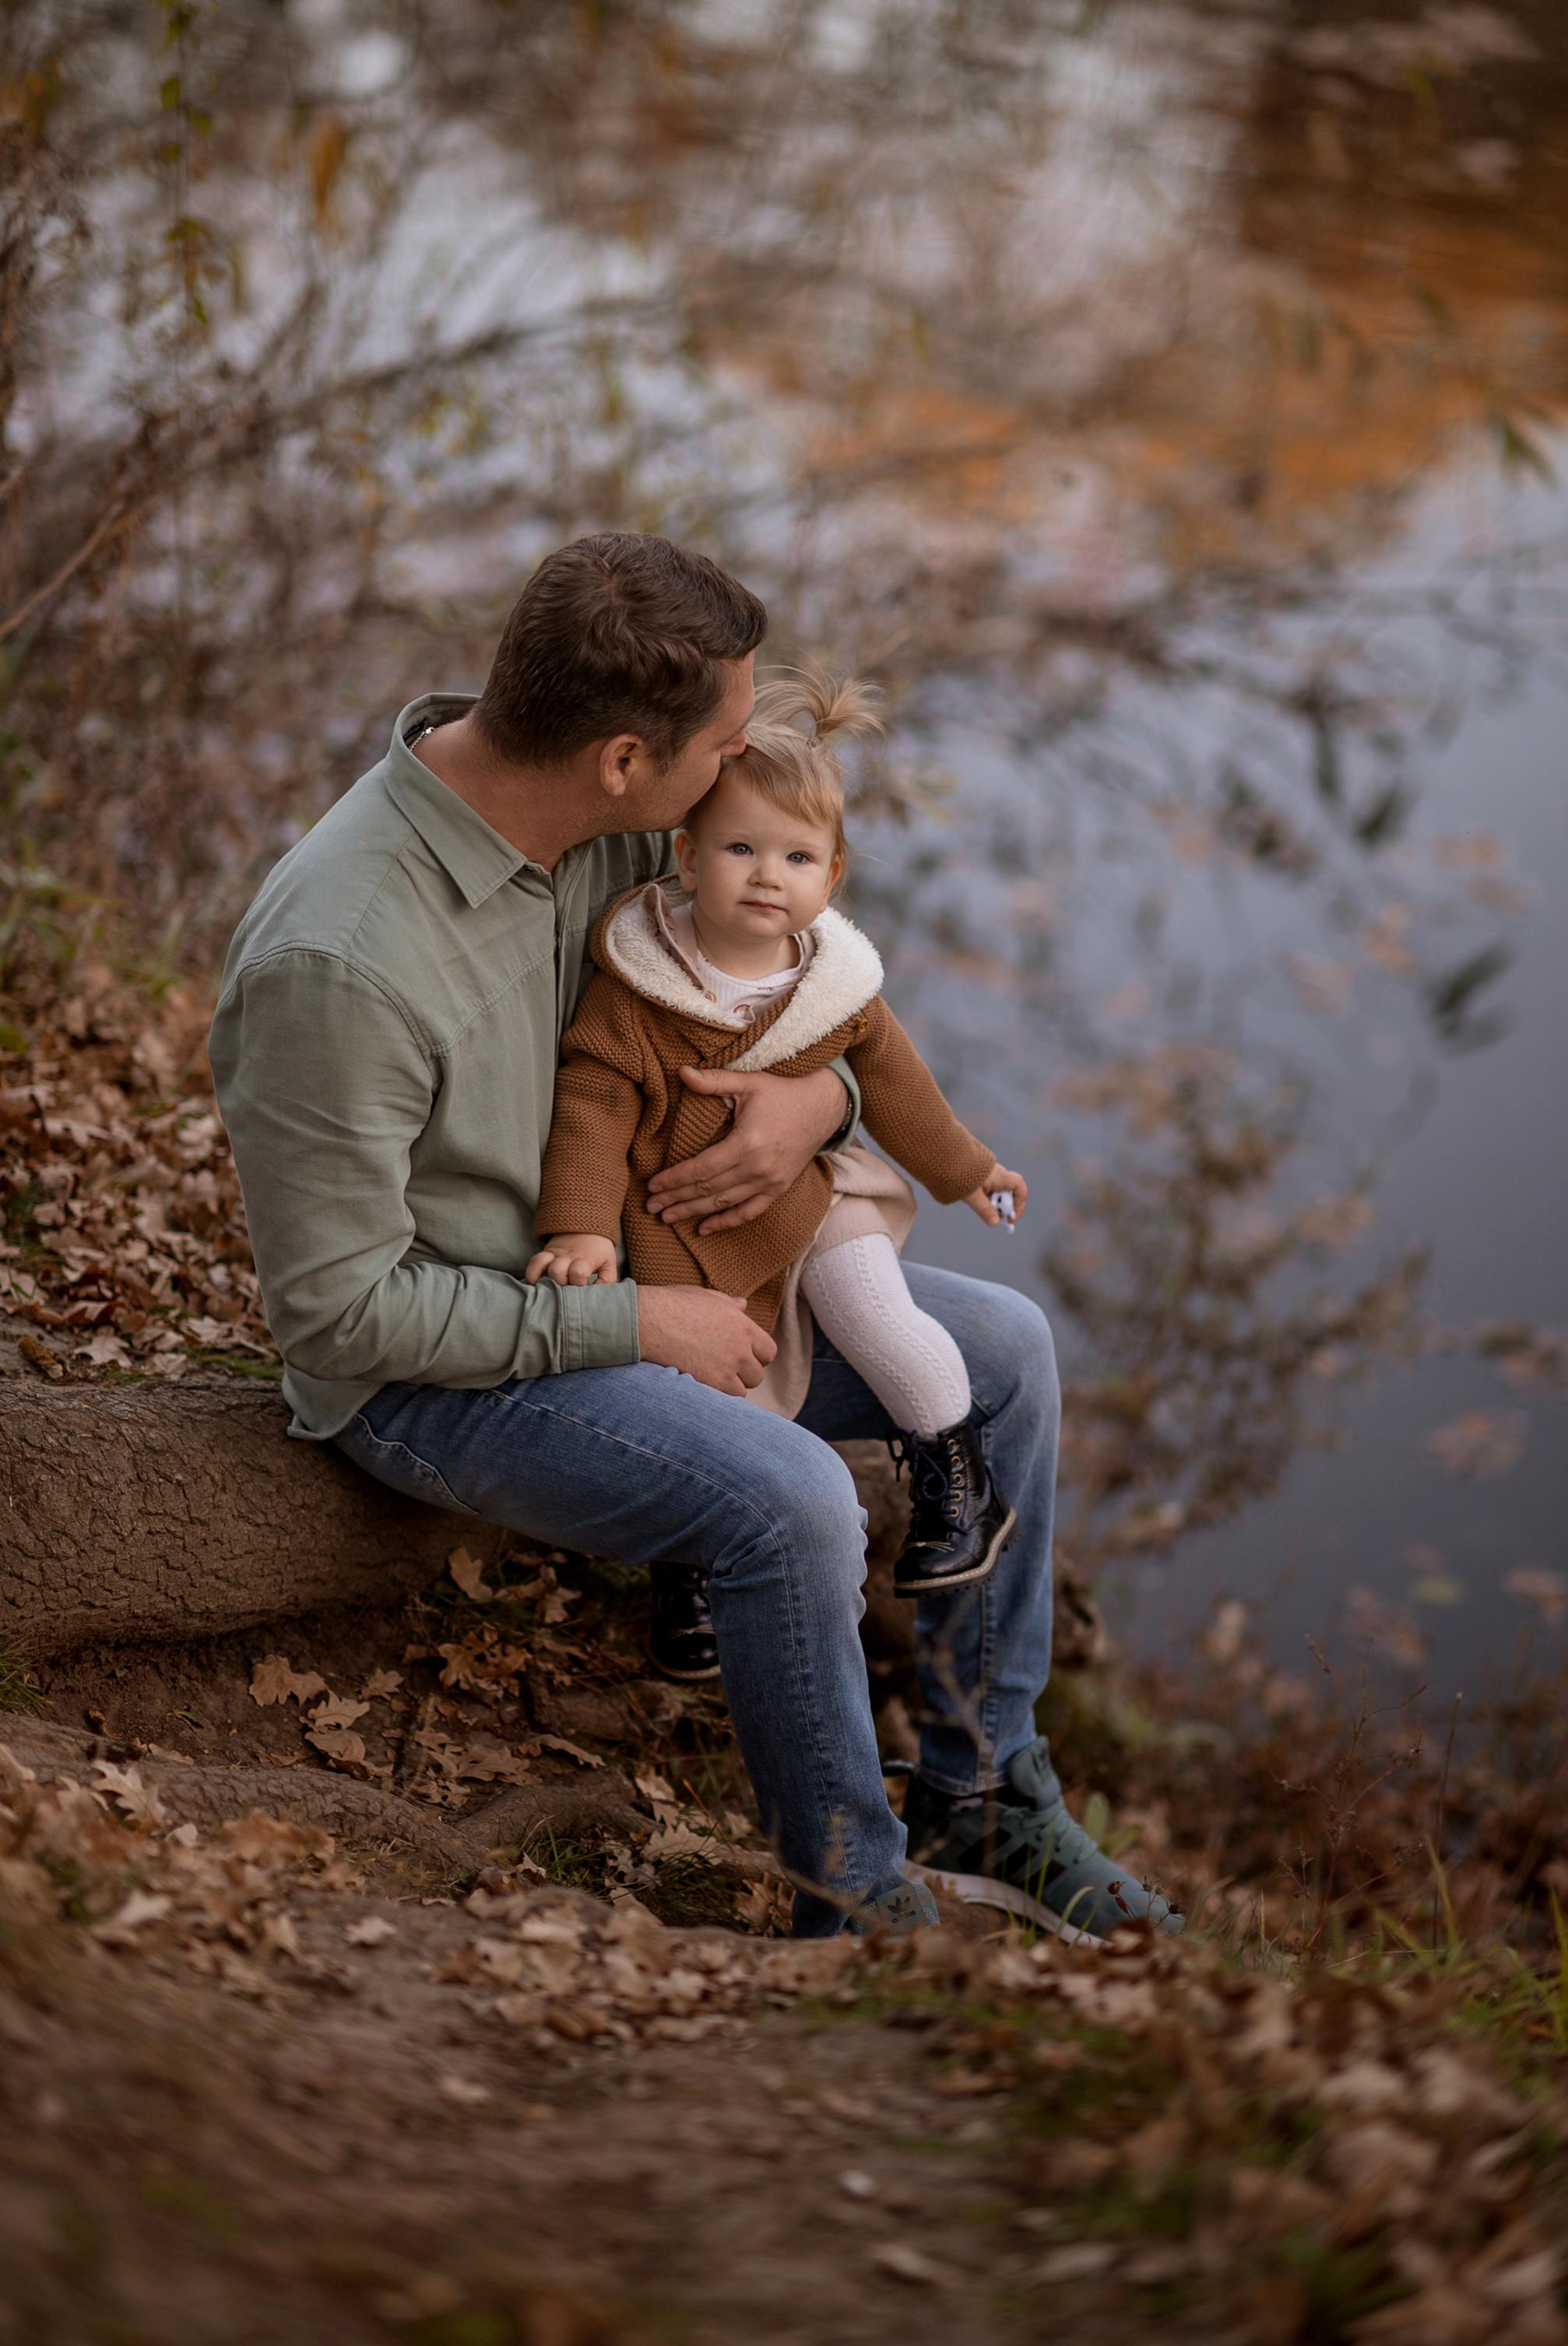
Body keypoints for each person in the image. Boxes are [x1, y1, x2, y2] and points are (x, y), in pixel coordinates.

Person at [209, 529, 1181, 1943]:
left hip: (659, 1265)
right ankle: (851, 1901)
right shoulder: (340, 962)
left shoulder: (598, 831)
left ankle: (982, 1791)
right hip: (445, 1370)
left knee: (1011, 1352)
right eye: (721, 743)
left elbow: (783, 990)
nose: (740, 767)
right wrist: (637, 1327)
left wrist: (817, 1104)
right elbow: (341, 1320)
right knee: (791, 1498)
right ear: (621, 759)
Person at [528, 668, 1023, 1687]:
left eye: (797, 857)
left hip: (820, 1201)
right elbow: (591, 1103)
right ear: (686, 855)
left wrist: (965, 1169)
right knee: (711, 1398)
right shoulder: (640, 986)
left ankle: (957, 1481)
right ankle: (692, 1573)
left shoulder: (829, 984)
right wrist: (578, 1226)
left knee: (884, 1323)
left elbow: (895, 1086)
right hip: (683, 1226)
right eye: (741, 848)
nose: (766, 876)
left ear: (831, 879)